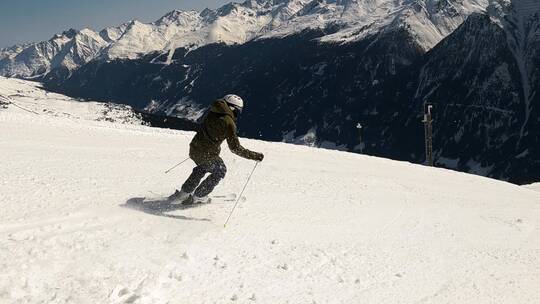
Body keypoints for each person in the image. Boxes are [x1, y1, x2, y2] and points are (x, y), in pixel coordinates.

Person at [169, 94, 264, 205]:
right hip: (207, 154)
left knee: (202, 167)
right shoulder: (229, 123)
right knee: (220, 170)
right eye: (238, 111)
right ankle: (199, 196)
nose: (237, 114)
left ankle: (184, 193)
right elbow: (235, 148)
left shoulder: (213, 112)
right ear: (233, 108)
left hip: (194, 148)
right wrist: (255, 156)